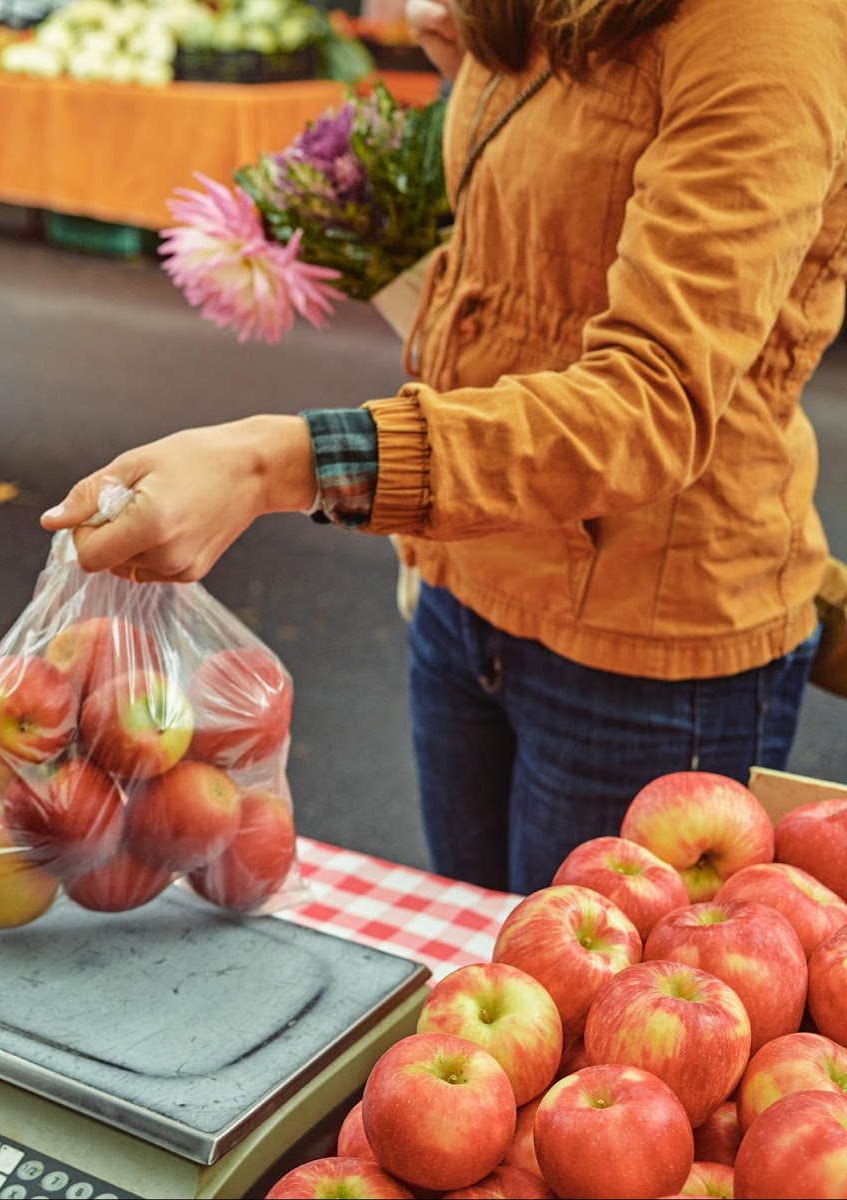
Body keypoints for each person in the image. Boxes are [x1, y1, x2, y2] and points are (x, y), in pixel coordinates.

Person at [43, 0, 846, 894]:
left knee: (584, 1013)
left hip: (643, 649)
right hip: (467, 581)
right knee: (479, 953)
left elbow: (648, 403)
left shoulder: (766, 28)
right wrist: (473, 74)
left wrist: (277, 461)